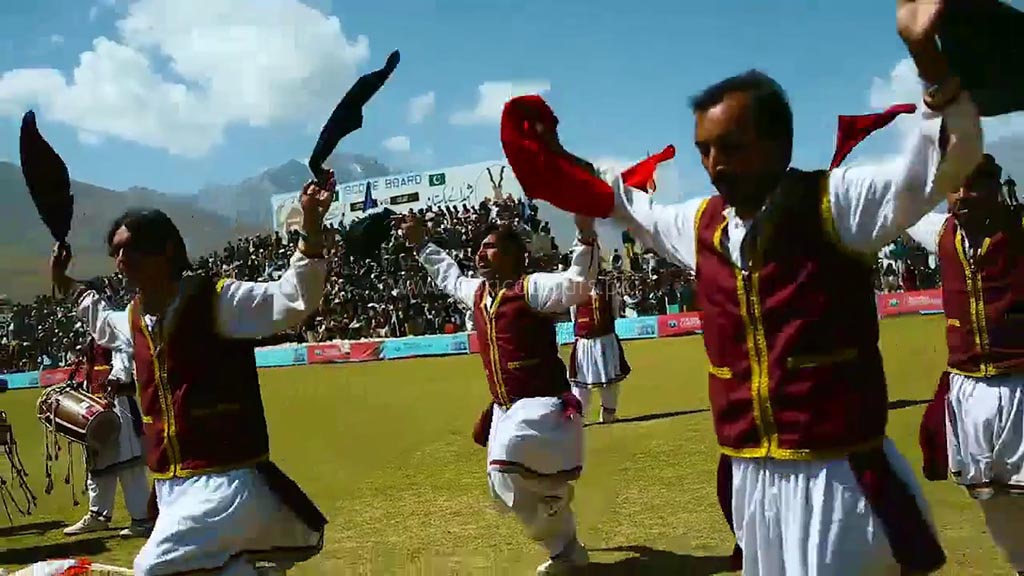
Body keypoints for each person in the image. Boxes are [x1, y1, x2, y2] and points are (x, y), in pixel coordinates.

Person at [499, 2, 984, 573]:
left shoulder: (834, 204)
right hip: (750, 480)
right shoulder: (700, 224)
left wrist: (928, 58)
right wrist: (550, 153)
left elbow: (941, 164)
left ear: (779, 144)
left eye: (730, 147)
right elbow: (621, 201)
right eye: (704, 149)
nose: (713, 164)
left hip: (836, 477)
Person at [49, 175, 336, 575]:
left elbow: (292, 299)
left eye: (130, 248)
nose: (121, 261)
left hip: (226, 483)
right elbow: (103, 322)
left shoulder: (216, 299)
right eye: (116, 252)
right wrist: (67, 284)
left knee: (154, 568)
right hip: (171, 490)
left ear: (166, 248)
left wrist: (311, 224)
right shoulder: (134, 318)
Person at [402, 213, 599, 575]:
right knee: (501, 487)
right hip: (505, 409)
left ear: (513, 256)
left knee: (506, 460)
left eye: (490, 247)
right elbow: (449, 277)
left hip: (543, 404)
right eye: (480, 247)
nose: (480, 253)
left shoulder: (531, 288)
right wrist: (420, 243)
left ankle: (555, 496)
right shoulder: (478, 293)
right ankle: (565, 548)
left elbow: (577, 285)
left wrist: (585, 237)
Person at [909, 154, 1024, 575]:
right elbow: (897, 209)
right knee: (992, 498)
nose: (962, 196)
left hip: (1020, 381)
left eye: (973, 186)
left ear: (995, 187)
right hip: (968, 387)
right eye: (954, 187)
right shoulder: (940, 232)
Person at [63, 336, 153, 538]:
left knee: (128, 464)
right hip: (95, 404)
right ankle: (98, 515)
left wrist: (115, 378)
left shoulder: (116, 331)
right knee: (98, 462)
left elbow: (125, 356)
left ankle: (142, 518)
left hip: (119, 402)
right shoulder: (92, 336)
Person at [569, 270, 630, 423]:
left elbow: (614, 312)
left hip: (605, 341)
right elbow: (573, 314)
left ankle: (608, 414)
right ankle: (578, 417)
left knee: (609, 380)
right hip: (586, 342)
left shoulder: (608, 288)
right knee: (582, 381)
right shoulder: (576, 289)